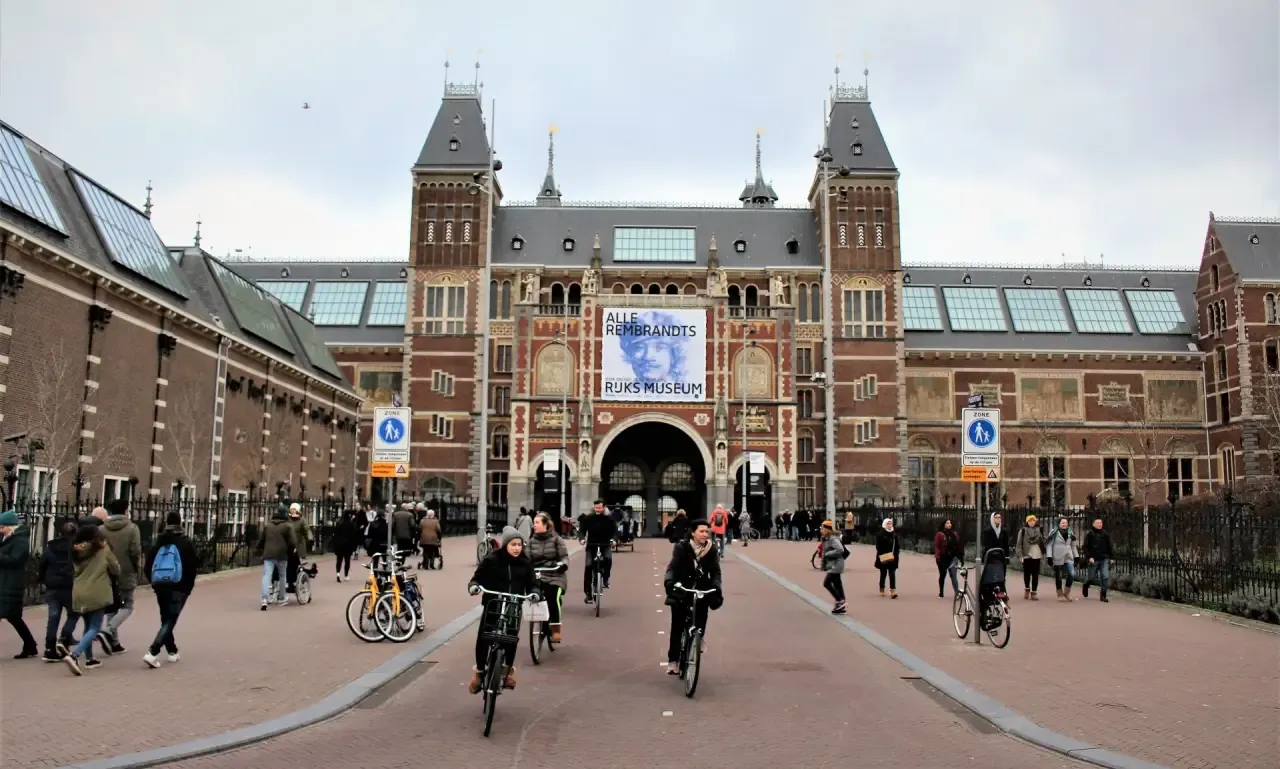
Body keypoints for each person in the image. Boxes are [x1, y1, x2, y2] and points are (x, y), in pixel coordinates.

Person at [466, 526, 535, 693]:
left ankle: (507, 671)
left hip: (514, 605)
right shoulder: (492, 560)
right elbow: (477, 577)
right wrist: (474, 586)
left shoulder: (526, 563)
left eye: (519, 545)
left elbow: (533, 583)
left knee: (511, 638)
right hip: (493, 603)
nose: (517, 548)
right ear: (505, 545)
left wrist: (535, 592)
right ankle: (480, 671)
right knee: (484, 636)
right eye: (513, 545)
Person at [663, 519, 722, 675]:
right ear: (693, 532)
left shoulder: (711, 549)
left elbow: (716, 571)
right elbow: (673, 567)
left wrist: (716, 586)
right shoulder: (681, 547)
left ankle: (698, 637)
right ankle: (673, 661)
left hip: (702, 588)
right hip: (683, 588)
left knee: (701, 617)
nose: (705, 534)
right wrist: (670, 583)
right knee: (677, 625)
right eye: (701, 531)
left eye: (706, 532)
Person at [142, 511, 199, 669]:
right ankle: (153, 651)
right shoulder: (185, 542)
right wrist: (188, 587)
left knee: (165, 617)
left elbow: (148, 565)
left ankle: (172, 651)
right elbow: (193, 566)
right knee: (170, 619)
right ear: (180, 523)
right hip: (179, 586)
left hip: (160, 585)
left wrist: (154, 582)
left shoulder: (158, 541)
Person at [65, 525, 120, 674]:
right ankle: (74, 655)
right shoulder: (102, 549)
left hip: (79, 592)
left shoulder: (75, 550)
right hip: (97, 591)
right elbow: (116, 569)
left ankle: (90, 659)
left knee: (87, 626)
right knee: (95, 627)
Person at [100, 497, 142, 654]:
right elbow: (135, 551)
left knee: (112, 605)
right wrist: (135, 566)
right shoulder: (132, 528)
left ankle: (114, 642)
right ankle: (108, 630)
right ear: (126, 511)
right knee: (128, 606)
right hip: (126, 571)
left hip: (107, 572)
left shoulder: (101, 529)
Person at [38, 518, 80, 661]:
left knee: (53, 617)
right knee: (74, 614)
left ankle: (49, 648)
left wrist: (43, 581)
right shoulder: (76, 548)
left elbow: (42, 566)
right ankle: (64, 639)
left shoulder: (50, 547)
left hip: (53, 587)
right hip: (70, 587)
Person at [0, 509, 38, 659]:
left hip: (11, 583)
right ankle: (30, 645)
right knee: (14, 617)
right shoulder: (6, 538)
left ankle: (30, 645)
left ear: (9, 526)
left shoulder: (20, 541)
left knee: (12, 616)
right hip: (4, 582)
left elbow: (16, 559)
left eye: (2, 527)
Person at [527, 513, 569, 642]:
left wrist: (563, 564)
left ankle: (556, 629)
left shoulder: (557, 540)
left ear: (545, 525)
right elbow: (527, 559)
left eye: (537, 523)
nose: (534, 525)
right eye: (534, 523)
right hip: (538, 574)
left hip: (554, 574)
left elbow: (564, 556)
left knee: (553, 597)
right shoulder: (531, 541)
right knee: (531, 595)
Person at [257, 506, 297, 610]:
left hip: (268, 554)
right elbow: (292, 542)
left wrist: (258, 550)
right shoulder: (288, 526)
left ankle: (264, 599)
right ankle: (282, 598)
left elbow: (262, 540)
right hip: (281, 554)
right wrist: (292, 549)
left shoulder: (268, 525)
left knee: (266, 576)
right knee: (282, 575)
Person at [579, 501, 616, 603]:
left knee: (608, 559)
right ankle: (588, 593)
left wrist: (613, 540)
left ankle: (605, 579)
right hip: (592, 545)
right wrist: (581, 539)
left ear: (604, 507)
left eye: (599, 508)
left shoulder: (609, 519)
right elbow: (582, 530)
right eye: (596, 508)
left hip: (605, 544)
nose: (598, 510)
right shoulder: (589, 518)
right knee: (588, 566)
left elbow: (614, 531)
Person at [1045, 517, 1079, 601]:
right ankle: (1059, 594)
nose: (1065, 524)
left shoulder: (1070, 532)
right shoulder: (1054, 532)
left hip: (1068, 556)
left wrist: (1077, 556)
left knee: (1071, 574)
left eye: (1066, 523)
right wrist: (1049, 557)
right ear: (1059, 524)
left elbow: (1073, 546)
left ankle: (1067, 593)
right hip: (1057, 555)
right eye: (1063, 523)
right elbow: (1049, 545)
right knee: (1058, 576)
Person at [819, 520, 847, 614]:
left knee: (826, 583)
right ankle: (841, 605)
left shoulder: (833, 538)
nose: (821, 530)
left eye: (822, 528)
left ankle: (840, 601)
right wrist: (823, 565)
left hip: (836, 564)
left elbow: (840, 549)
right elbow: (823, 553)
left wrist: (828, 554)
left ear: (827, 529)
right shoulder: (826, 538)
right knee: (837, 584)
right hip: (833, 564)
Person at [1081, 518, 1113, 602]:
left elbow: (1109, 546)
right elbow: (1085, 547)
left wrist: (1112, 557)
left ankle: (1103, 595)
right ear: (1093, 524)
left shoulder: (1105, 534)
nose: (1099, 524)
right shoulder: (1090, 534)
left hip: (1104, 558)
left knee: (1105, 576)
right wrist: (1089, 557)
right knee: (1091, 577)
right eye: (1098, 523)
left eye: (1101, 523)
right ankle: (1085, 585)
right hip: (1094, 559)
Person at [1014, 514, 1045, 600]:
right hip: (1027, 554)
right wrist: (1020, 555)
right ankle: (1027, 588)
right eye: (1030, 521)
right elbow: (1019, 544)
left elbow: (1043, 541)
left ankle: (1034, 592)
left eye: (1033, 521)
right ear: (1027, 522)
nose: (1032, 522)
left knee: (1035, 574)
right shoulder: (1023, 531)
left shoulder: (1039, 530)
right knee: (1027, 574)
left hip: (1037, 554)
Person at [933, 518, 963, 598]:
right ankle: (941, 592)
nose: (949, 524)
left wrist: (960, 556)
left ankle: (957, 592)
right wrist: (937, 555)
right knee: (943, 574)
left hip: (953, 557)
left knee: (953, 575)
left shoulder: (955, 534)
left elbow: (959, 545)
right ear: (944, 524)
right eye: (947, 523)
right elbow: (936, 545)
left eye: (950, 523)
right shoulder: (939, 534)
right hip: (943, 558)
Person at [286, 503, 312, 593]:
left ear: (297, 510)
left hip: (299, 546)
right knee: (288, 565)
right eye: (291, 509)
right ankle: (289, 582)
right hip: (289, 546)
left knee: (297, 565)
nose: (292, 510)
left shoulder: (301, 520)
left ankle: (300, 580)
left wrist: (310, 538)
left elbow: (307, 529)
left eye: (294, 509)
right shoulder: (287, 519)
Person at [332, 509, 361, 582]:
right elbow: (353, 535)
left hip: (339, 545)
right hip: (347, 545)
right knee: (347, 561)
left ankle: (338, 574)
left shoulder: (339, 523)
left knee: (339, 560)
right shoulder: (351, 524)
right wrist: (354, 545)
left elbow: (335, 534)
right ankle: (346, 575)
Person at [874, 518, 900, 598]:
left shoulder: (894, 535)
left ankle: (893, 591)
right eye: (888, 524)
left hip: (892, 557)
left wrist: (895, 555)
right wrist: (883, 555)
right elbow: (878, 547)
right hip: (883, 557)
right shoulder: (880, 534)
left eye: (890, 524)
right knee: (883, 574)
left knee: (892, 574)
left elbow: (897, 546)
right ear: (884, 525)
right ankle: (882, 588)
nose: (889, 525)